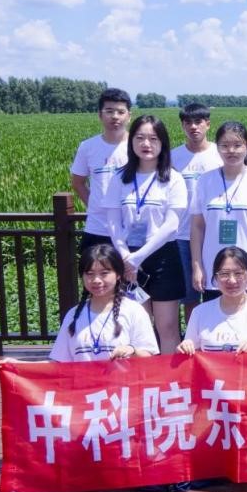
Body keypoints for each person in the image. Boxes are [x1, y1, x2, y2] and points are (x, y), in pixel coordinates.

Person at [0, 244, 158, 368]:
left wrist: (132, 350)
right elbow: (58, 363)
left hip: (123, 397)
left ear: (118, 275)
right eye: (89, 274)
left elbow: (150, 360)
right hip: (85, 397)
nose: (96, 280)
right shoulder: (74, 315)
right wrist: (17, 364)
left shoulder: (134, 311)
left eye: (104, 273)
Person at [103, 115, 188, 354]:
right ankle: (141, 374)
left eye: (153, 138)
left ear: (163, 143)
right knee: (136, 328)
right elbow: (113, 222)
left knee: (167, 327)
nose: (146, 144)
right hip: (126, 259)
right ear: (131, 142)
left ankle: (166, 375)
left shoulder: (173, 178)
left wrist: (138, 257)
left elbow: (171, 225)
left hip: (162, 258)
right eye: (140, 138)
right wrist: (125, 256)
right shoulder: (119, 178)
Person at [190, 122, 247, 300]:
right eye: (225, 145)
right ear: (217, 148)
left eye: (237, 145)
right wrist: (197, 267)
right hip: (214, 268)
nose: (231, 151)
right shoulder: (204, 181)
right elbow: (197, 228)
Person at [177, 247, 247, 354]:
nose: (232, 280)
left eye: (238, 273)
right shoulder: (200, 312)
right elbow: (191, 359)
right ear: (216, 277)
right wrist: (184, 349)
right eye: (224, 274)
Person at [171, 102, 222, 321]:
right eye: (188, 122)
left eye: (198, 122)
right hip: (182, 234)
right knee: (190, 295)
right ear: (182, 125)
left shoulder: (220, 153)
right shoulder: (173, 157)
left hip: (215, 234)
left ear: (207, 124)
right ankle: (193, 333)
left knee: (218, 289)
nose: (193, 127)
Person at [70, 88, 132, 254]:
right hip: (97, 228)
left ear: (129, 116)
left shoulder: (138, 146)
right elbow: (77, 182)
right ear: (100, 115)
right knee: (94, 271)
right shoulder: (87, 147)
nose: (115, 116)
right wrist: (95, 206)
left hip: (132, 229)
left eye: (120, 112)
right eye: (109, 111)